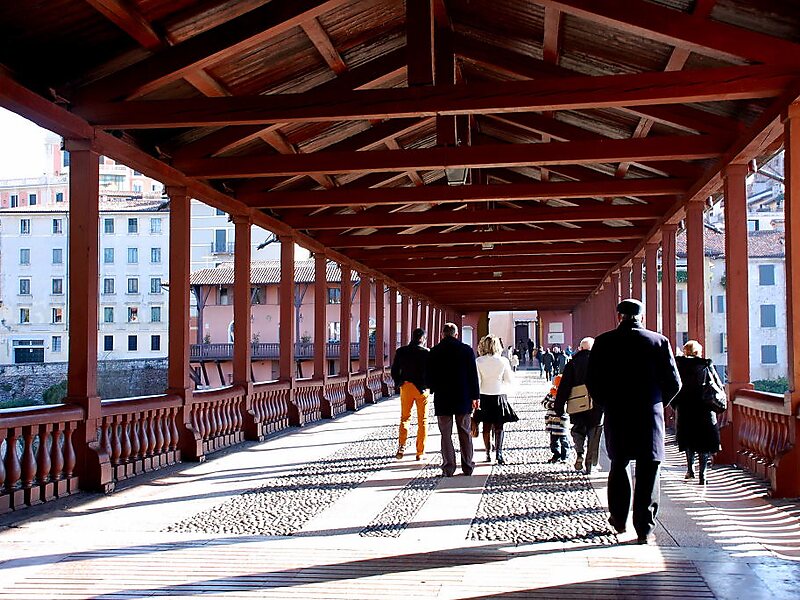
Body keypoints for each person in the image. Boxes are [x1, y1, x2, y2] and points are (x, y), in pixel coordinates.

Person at [586, 298, 681, 544]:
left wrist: (606, 402)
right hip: (650, 414)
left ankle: (619, 519)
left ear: (619, 316)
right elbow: (675, 383)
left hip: (618, 412)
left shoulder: (604, 342)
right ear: (642, 316)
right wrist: (658, 402)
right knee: (649, 469)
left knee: (619, 465)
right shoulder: (659, 341)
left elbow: (592, 381)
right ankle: (644, 529)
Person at [427, 322, 480, 477]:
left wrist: (434, 388)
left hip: (443, 398)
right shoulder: (466, 350)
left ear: (442, 334)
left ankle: (448, 467)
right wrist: (475, 396)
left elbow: (429, 376)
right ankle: (468, 466)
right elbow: (473, 376)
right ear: (456, 335)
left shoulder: (434, 351)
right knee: (464, 432)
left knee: (445, 434)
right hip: (463, 397)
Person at [670, 340, 722, 485]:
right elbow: (716, 385)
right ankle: (703, 475)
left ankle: (690, 469)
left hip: (685, 408)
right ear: (699, 352)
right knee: (703, 442)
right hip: (704, 408)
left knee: (689, 439)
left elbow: (673, 387)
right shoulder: (706, 365)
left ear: (685, 351)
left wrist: (676, 405)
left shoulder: (678, 366)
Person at [554, 337, 602, 474]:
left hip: (577, 404)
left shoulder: (572, 363)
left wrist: (559, 407)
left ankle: (580, 453)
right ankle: (590, 463)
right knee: (594, 433)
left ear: (580, 348)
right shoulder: (600, 362)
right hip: (596, 406)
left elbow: (564, 386)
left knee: (578, 430)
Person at [475, 334, 518, 464]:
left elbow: (477, 381)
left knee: (486, 427)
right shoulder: (503, 361)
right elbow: (509, 380)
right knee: (499, 427)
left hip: (484, 396)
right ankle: (499, 454)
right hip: (499, 395)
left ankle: (488, 453)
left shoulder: (479, 361)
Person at [390, 327, 430, 460]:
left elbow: (394, 370)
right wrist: (428, 385)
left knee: (405, 418)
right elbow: (431, 372)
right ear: (423, 339)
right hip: (421, 390)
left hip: (406, 387)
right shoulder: (427, 353)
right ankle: (420, 452)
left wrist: (399, 382)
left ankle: (401, 447)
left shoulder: (401, 351)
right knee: (422, 420)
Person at [542, 374, 569, 463]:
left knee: (564, 440)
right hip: (552, 422)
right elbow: (543, 403)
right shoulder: (551, 393)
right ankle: (556, 455)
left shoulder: (567, 394)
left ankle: (565, 456)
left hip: (562, 422)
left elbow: (568, 407)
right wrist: (552, 405)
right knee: (553, 441)